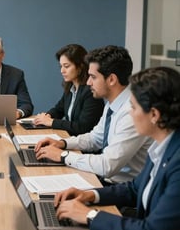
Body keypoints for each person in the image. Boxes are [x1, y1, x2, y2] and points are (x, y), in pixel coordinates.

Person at [54, 67, 180, 230]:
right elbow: (133, 189)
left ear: (154, 115)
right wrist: (90, 195)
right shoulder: (161, 146)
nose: (131, 114)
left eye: (134, 108)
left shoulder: (176, 162)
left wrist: (89, 215)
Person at [35, 45, 152, 184]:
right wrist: (62, 143)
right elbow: (95, 138)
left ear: (112, 79)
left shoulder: (131, 113)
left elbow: (107, 166)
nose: (88, 82)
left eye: (93, 77)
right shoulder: (112, 104)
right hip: (105, 180)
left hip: (121, 189)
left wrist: (63, 155)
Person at [33, 44, 104, 135]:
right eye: (61, 66)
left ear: (80, 66)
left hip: (83, 146)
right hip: (71, 140)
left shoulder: (91, 92)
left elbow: (83, 127)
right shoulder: (71, 87)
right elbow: (59, 109)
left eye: (66, 66)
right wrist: (46, 116)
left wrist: (51, 122)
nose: (62, 71)